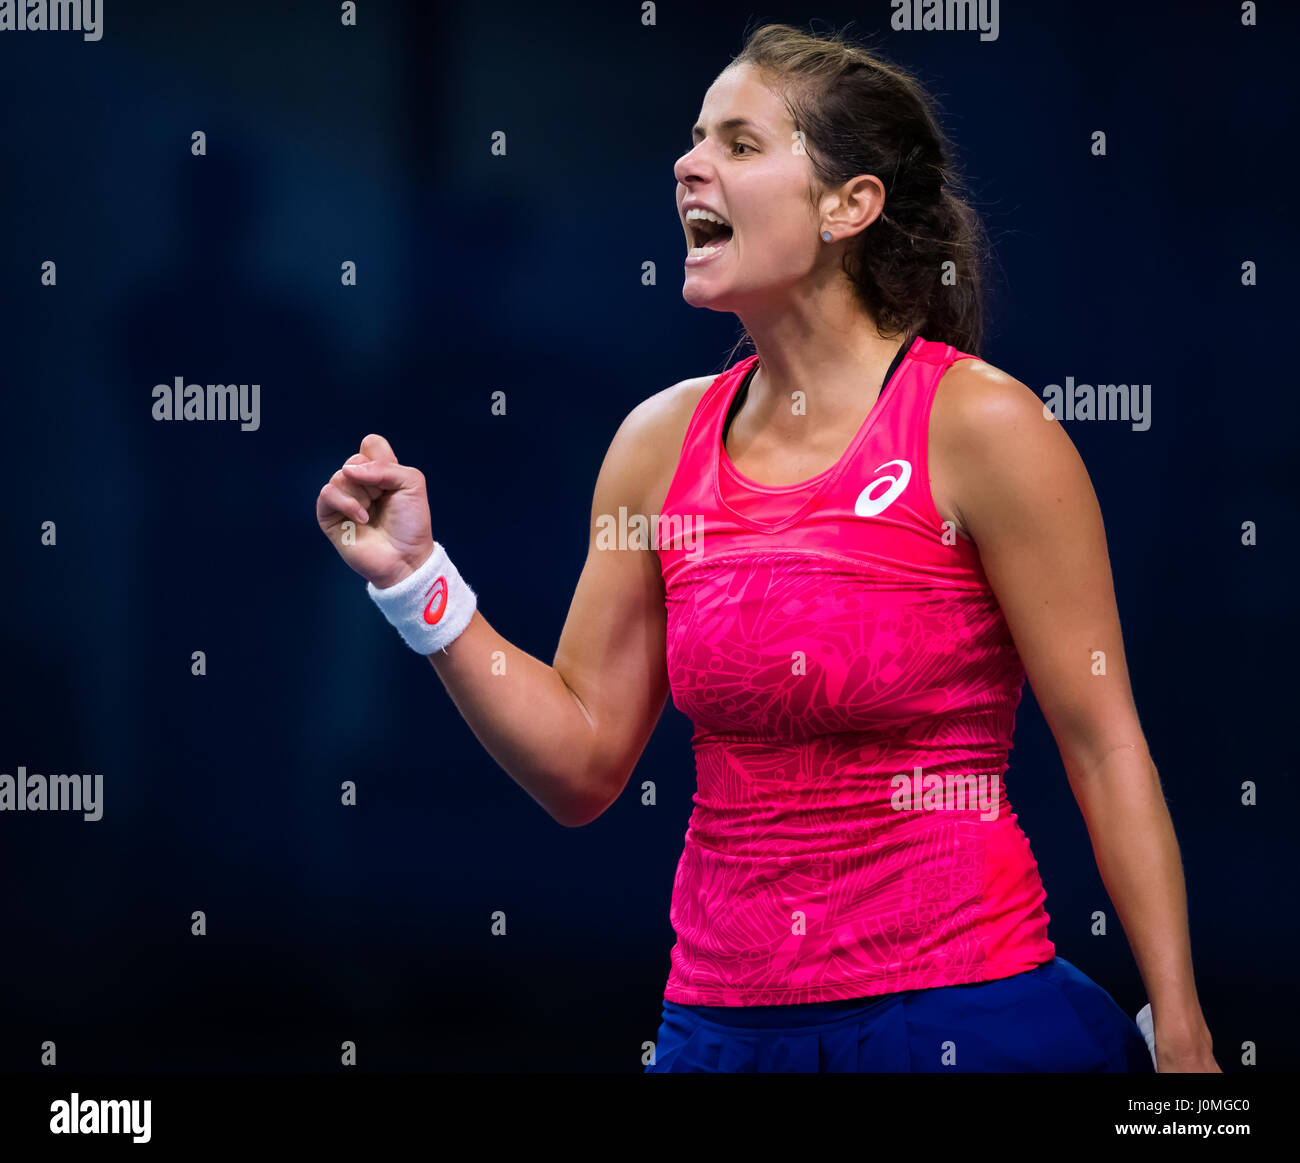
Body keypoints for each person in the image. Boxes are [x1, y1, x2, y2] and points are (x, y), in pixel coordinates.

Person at [316, 22, 1219, 1073]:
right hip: (716, 1026)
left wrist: (1184, 1032)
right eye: (695, 138)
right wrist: (417, 584)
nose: (687, 162)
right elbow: (580, 765)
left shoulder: (983, 428)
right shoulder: (656, 445)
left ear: (850, 206)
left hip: (959, 1016)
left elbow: (1103, 744)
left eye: (740, 144)